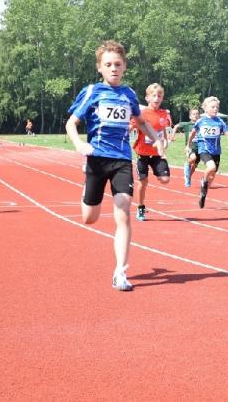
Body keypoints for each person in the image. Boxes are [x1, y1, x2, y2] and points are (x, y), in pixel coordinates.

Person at [66, 40, 164, 291]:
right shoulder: (92, 91)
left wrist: (156, 138)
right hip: (96, 159)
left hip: (121, 160)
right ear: (99, 67)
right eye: (108, 64)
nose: (113, 68)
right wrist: (79, 144)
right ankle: (87, 189)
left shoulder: (129, 94)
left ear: (124, 67)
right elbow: (71, 123)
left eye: (118, 64)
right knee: (90, 218)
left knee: (123, 210)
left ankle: (120, 272)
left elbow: (140, 122)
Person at [132, 83, 172, 221]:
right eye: (153, 96)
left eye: (159, 96)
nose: (157, 98)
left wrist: (165, 142)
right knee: (143, 181)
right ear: (147, 98)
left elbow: (163, 131)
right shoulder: (141, 114)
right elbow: (131, 126)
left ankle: (159, 171)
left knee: (165, 180)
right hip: (142, 153)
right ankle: (140, 207)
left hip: (157, 154)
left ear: (162, 98)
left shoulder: (164, 114)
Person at [186, 96, 228, 209]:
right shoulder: (201, 121)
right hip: (204, 150)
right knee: (211, 167)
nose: (215, 109)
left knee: (212, 176)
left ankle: (203, 192)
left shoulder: (220, 121)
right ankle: (203, 180)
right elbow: (192, 133)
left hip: (216, 152)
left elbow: (227, 133)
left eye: (217, 107)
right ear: (205, 108)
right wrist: (188, 145)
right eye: (213, 107)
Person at [172, 107, 202, 187]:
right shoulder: (187, 124)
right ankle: (187, 164)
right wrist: (173, 136)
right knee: (193, 158)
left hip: (200, 147)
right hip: (190, 147)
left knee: (195, 166)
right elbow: (176, 126)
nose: (195, 115)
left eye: (197, 114)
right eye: (193, 114)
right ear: (190, 116)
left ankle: (188, 178)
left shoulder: (201, 124)